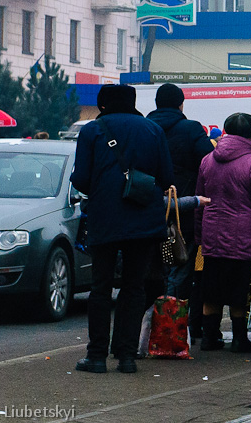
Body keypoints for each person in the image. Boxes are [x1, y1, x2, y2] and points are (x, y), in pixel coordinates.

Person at [70, 84, 174, 375]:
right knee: (134, 287)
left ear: (102, 105)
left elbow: (81, 178)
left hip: (105, 218)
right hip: (144, 218)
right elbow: (166, 177)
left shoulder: (92, 130)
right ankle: (127, 357)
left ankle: (96, 356)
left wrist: (103, 188)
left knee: (101, 287)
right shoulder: (153, 130)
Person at [195, 112, 251, 353]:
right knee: (239, 289)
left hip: (211, 235)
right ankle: (240, 339)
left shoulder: (207, 161)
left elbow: (200, 200)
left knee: (211, 288)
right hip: (243, 238)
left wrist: (199, 234)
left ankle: (209, 338)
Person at [146, 82, 214, 341]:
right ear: (181, 104)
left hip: (148, 211)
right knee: (182, 267)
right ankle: (171, 331)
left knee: (154, 269)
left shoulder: (145, 128)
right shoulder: (191, 129)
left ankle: (149, 330)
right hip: (184, 212)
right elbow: (209, 161)